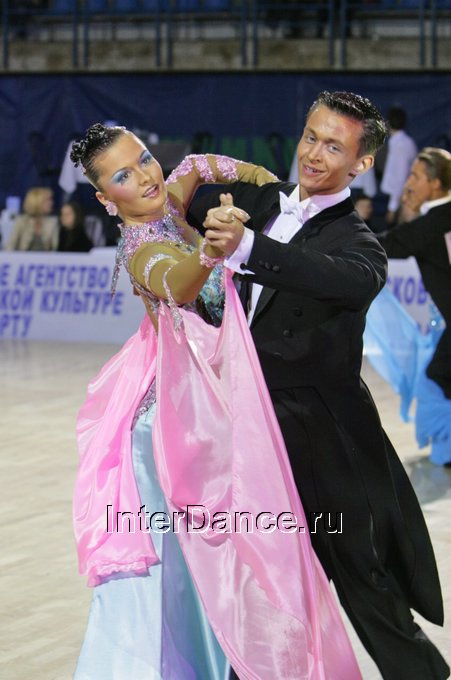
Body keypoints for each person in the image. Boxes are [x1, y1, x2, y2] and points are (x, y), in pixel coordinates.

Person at [71, 123, 362, 679]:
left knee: (222, 560)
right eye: (124, 176)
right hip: (170, 434)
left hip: (206, 410)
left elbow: (200, 164)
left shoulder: (169, 196)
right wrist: (208, 249)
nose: (147, 176)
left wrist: (278, 194)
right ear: (106, 198)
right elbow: (178, 282)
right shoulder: (140, 250)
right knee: (183, 574)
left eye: (145, 158)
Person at [190, 91, 450, 680]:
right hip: (256, 437)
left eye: (334, 146)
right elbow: (180, 197)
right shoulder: (260, 201)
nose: (314, 154)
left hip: (326, 447)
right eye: (311, 136)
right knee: (262, 587)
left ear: (362, 163)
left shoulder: (361, 246)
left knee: (367, 585)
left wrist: (249, 246)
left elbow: (330, 276)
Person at [376, 147, 451, 465]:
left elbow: (388, 245)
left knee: (436, 379)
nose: (408, 182)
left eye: (415, 176)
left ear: (435, 184)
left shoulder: (435, 222)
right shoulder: (436, 219)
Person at [380, 106, 417, 226]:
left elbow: (400, 178)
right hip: (398, 198)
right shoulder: (404, 142)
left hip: (400, 200)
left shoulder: (401, 146)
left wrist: (392, 208)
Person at [5, 186, 58, 251]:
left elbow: (55, 248)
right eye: (47, 200)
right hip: (23, 257)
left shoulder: (52, 222)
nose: (51, 203)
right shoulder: (21, 221)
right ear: (37, 202)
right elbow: (10, 246)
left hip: (46, 257)